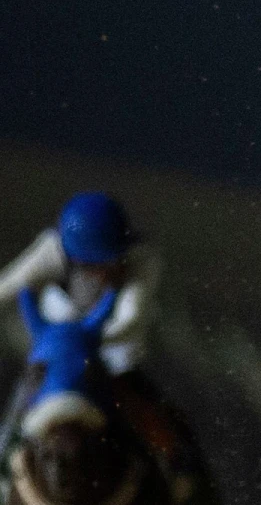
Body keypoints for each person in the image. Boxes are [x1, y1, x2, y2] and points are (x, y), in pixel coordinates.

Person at [0, 192, 200, 499]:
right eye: (93, 265)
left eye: (111, 262)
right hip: (55, 360)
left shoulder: (143, 261)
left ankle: (180, 474)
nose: (105, 272)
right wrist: (62, 345)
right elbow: (10, 284)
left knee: (162, 425)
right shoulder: (51, 250)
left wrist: (82, 343)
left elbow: (129, 317)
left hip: (111, 358)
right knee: (17, 414)